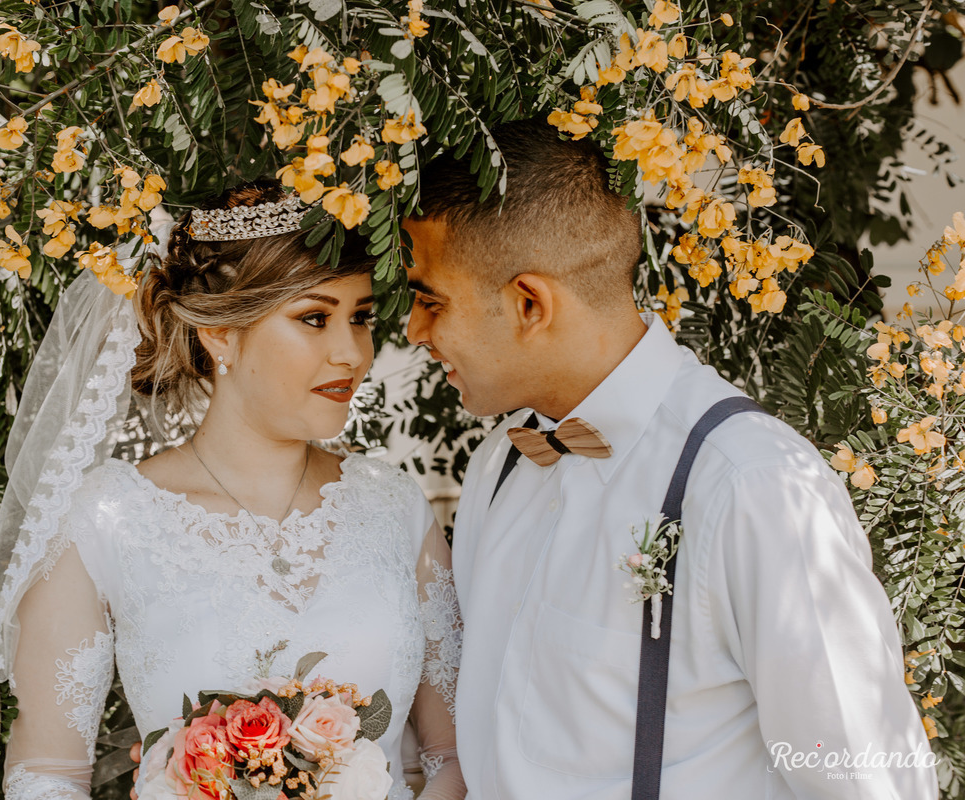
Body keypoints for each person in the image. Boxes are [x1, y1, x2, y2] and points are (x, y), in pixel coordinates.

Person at [401, 119, 938, 799]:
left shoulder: (753, 485)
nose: (415, 330)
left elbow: (866, 780)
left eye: (430, 300)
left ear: (529, 303)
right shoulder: (497, 466)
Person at [0, 179, 466, 800]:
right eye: (314, 318)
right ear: (220, 334)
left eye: (360, 318)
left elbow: (450, 757)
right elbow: (47, 778)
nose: (351, 353)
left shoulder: (394, 505)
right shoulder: (109, 519)